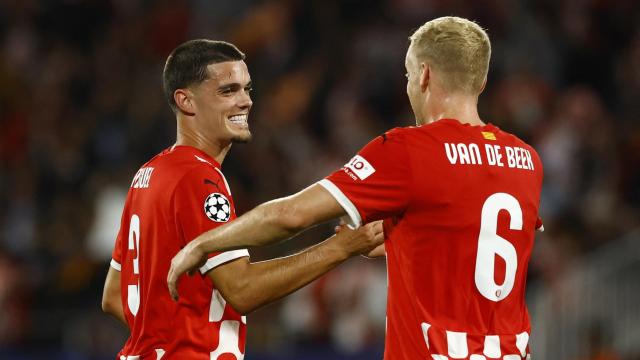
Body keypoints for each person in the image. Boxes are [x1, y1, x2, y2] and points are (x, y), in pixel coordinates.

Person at [168, 17, 545, 359]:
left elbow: (290, 216)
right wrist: (407, 237)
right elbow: (477, 232)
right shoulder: (526, 159)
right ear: (480, 81)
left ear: (425, 75)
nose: (410, 85)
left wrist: (202, 243)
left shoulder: (410, 150)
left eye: (409, 75)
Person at [101, 39, 384, 360]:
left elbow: (113, 295)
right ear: (186, 101)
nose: (245, 101)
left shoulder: (149, 173)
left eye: (247, 90)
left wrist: (166, 336)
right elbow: (242, 290)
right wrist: (342, 248)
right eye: (227, 91)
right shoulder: (198, 177)